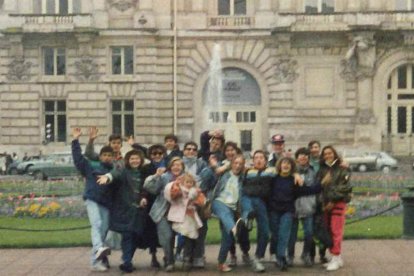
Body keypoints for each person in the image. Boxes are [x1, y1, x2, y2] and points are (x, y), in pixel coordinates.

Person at [97, 149, 148, 273]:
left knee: (135, 236)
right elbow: (115, 173)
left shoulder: (143, 172)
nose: (134, 161)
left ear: (141, 160)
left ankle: (127, 259)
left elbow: (145, 188)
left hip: (138, 212)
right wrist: (107, 177)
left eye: (137, 158)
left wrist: (143, 197)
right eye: (132, 158)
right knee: (127, 236)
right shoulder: (124, 170)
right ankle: (127, 262)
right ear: (128, 160)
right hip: (125, 211)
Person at [71, 127, 113, 272]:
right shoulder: (92, 166)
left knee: (103, 229)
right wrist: (75, 140)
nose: (107, 157)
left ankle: (95, 261)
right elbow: (78, 159)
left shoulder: (114, 170)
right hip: (92, 199)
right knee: (96, 224)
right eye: (104, 154)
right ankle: (98, 248)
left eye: (110, 155)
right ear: (100, 156)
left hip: (106, 203)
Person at [268, 157, 321, 271]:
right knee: (276, 235)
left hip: (287, 211)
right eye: (283, 163)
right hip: (274, 211)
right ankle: (278, 256)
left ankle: (282, 258)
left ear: (292, 166)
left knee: (284, 235)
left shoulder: (294, 181)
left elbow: (307, 190)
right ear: (280, 165)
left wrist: (322, 185)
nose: (286, 165)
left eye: (288, 164)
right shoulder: (273, 179)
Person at [144, 157, 185, 272]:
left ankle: (179, 256)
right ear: (170, 167)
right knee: (166, 237)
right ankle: (169, 261)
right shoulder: (164, 177)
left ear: (182, 167)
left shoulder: (186, 178)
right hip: (163, 212)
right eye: (174, 165)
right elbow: (148, 186)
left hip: (180, 214)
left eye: (179, 165)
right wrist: (156, 176)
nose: (176, 167)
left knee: (181, 237)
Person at [211, 154, 250, 272]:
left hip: (232, 208)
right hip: (219, 202)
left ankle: (221, 263)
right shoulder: (224, 174)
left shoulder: (243, 178)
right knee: (226, 216)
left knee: (227, 237)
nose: (237, 166)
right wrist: (224, 166)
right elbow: (214, 171)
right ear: (231, 164)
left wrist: (248, 167)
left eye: (240, 164)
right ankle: (235, 228)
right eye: (235, 163)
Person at [239, 150, 275, 272]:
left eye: (261, 158)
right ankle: (245, 250)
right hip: (247, 199)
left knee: (264, 231)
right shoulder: (248, 172)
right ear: (252, 160)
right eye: (256, 158)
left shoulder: (271, 172)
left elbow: (287, 171)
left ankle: (258, 257)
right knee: (242, 229)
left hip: (261, 202)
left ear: (266, 160)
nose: (258, 160)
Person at [318, 145, 352, 271]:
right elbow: (319, 187)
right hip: (326, 204)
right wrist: (323, 202)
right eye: (325, 154)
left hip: (337, 203)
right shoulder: (322, 169)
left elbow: (346, 187)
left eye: (330, 153)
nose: (327, 155)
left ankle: (336, 256)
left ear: (334, 154)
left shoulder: (342, 168)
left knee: (336, 230)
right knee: (329, 231)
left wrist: (332, 199)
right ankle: (336, 257)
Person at [164, 173, 206, 271]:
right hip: (178, 217)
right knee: (174, 237)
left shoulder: (195, 191)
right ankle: (171, 259)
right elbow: (172, 195)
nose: (189, 184)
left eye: (191, 182)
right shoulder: (178, 190)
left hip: (190, 217)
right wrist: (177, 186)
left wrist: (196, 201)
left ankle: (187, 258)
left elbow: (202, 201)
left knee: (189, 237)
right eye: (187, 182)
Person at [287, 148, 318, 266]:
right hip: (293, 206)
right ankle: (290, 256)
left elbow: (316, 187)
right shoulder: (291, 171)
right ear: (296, 158)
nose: (303, 157)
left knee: (309, 233)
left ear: (308, 158)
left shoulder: (313, 171)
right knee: (292, 235)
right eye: (301, 155)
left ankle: (305, 254)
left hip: (308, 206)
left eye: (305, 155)